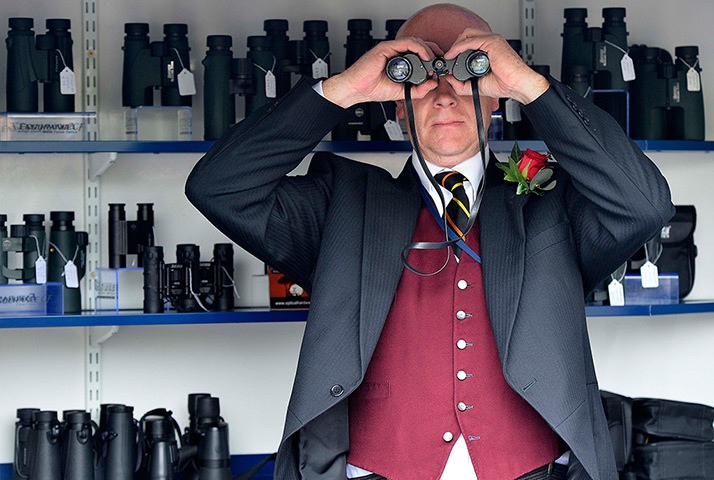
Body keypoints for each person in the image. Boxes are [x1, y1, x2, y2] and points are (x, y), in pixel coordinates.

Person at [185, 4, 674, 480]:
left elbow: (644, 204)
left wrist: (529, 85)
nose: (443, 94)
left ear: (496, 94)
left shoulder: (553, 203)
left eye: (467, 74)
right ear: (398, 102)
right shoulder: (343, 206)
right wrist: (343, 89)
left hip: (532, 471)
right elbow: (218, 186)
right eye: (419, 77)